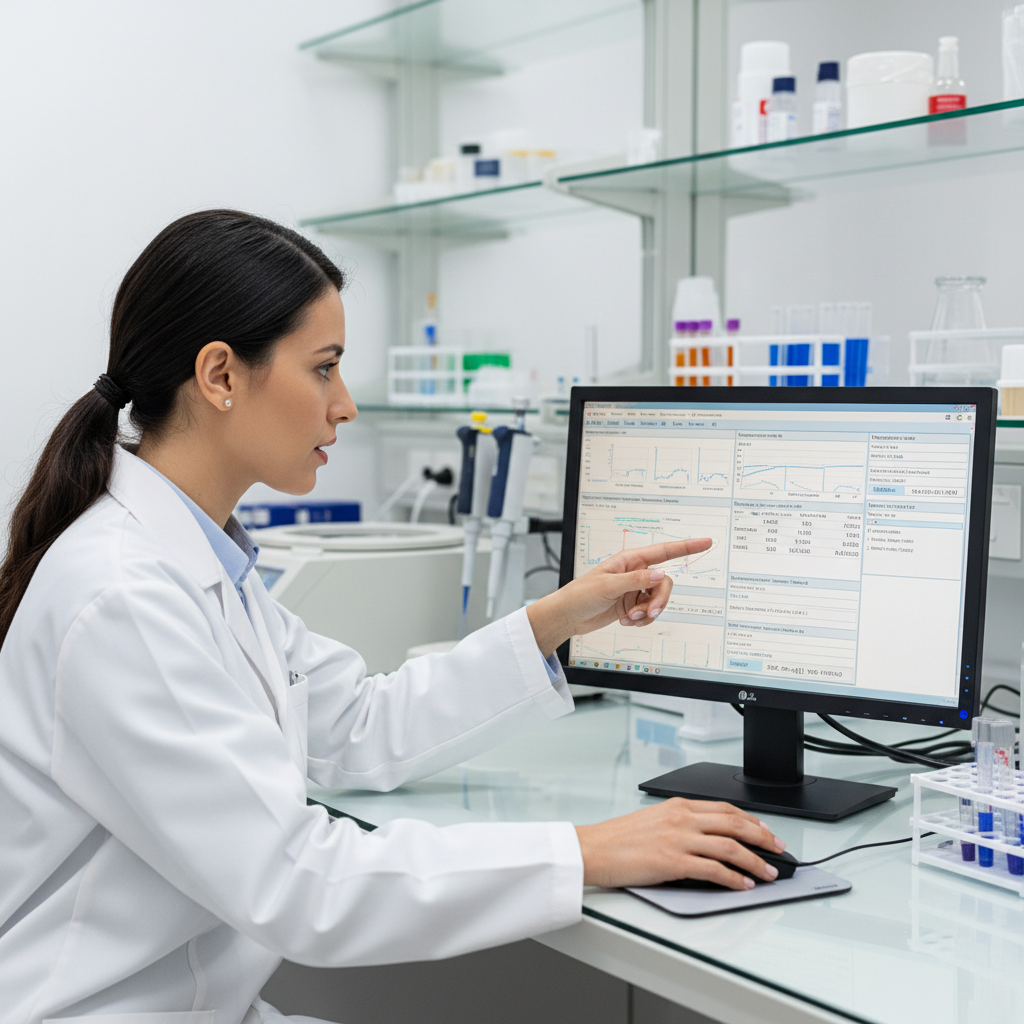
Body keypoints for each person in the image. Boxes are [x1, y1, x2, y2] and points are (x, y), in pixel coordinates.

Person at [0, 211, 785, 1024]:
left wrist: (555, 619)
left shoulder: (201, 564)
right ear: (221, 376)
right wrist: (586, 851)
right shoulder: (125, 595)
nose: (345, 406)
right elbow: (296, 882)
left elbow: (358, 721)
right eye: (325, 368)